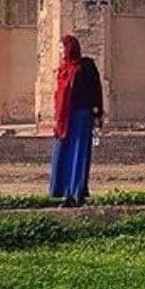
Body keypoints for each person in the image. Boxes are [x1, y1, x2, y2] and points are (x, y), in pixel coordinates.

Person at [49, 34, 103, 206]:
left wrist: (97, 114)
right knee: (63, 155)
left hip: (81, 116)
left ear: (70, 48)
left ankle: (76, 193)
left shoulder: (85, 66)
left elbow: (96, 89)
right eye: (59, 48)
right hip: (65, 119)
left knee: (78, 155)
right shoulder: (63, 69)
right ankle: (64, 192)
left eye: (62, 47)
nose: (60, 51)